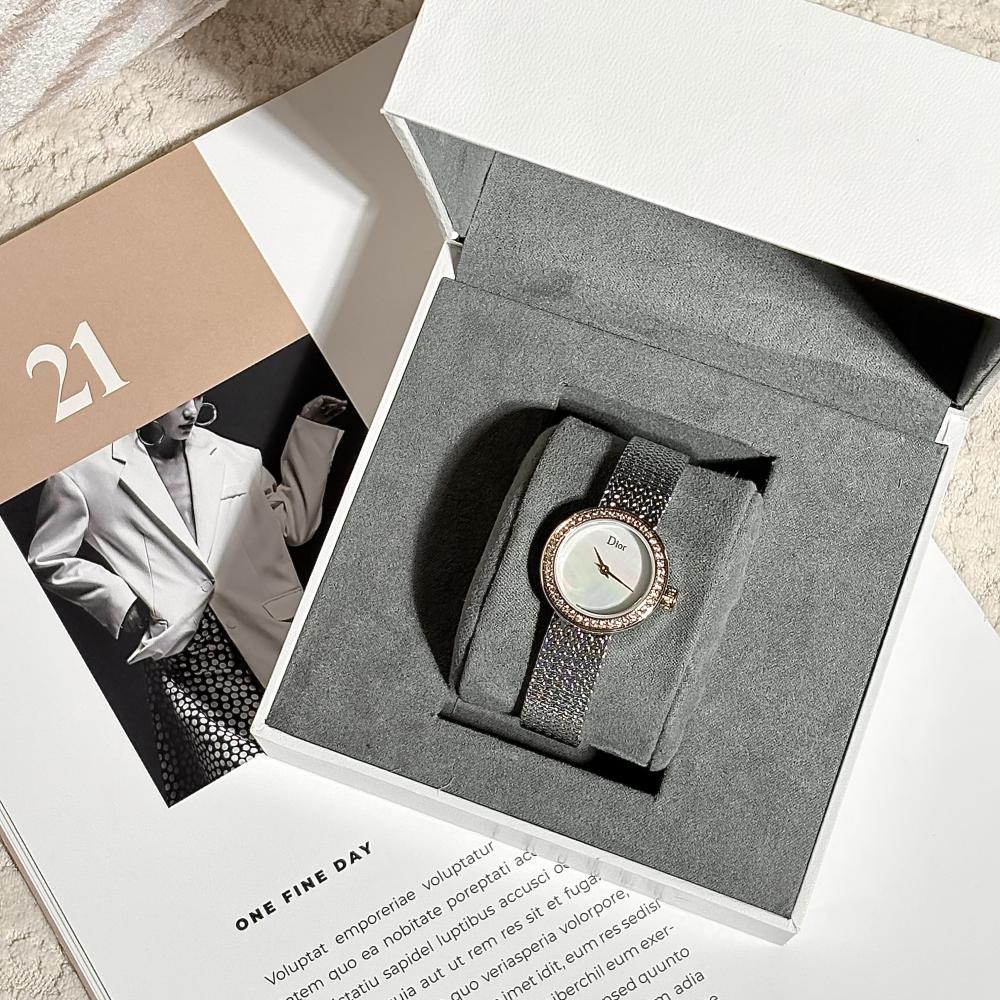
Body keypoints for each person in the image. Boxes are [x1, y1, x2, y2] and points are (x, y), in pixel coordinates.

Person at [28, 393, 346, 804]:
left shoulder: (234, 457)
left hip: (271, 637)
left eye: (197, 397)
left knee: (321, 767)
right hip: (187, 659)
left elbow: (293, 526)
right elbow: (48, 556)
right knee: (249, 789)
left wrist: (311, 431)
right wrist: (119, 601)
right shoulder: (84, 473)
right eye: (177, 400)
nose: (191, 410)